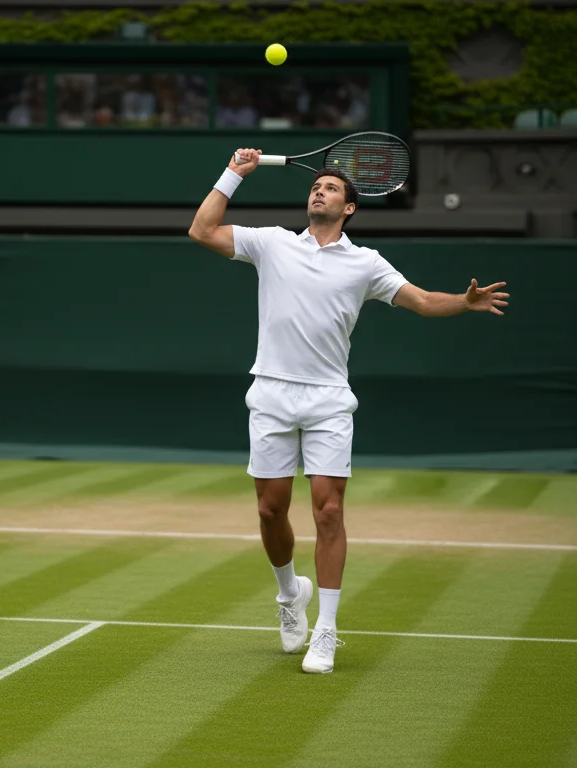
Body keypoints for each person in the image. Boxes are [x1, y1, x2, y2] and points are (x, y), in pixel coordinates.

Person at [187, 148, 510, 674]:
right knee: (270, 509)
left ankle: (327, 630)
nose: (320, 191)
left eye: (332, 188)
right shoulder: (271, 243)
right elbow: (202, 231)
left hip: (328, 400)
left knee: (329, 511)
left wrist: (464, 301)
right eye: (316, 187)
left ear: (350, 207)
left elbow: (423, 301)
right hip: (270, 393)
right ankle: (290, 593)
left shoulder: (366, 263)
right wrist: (232, 174)